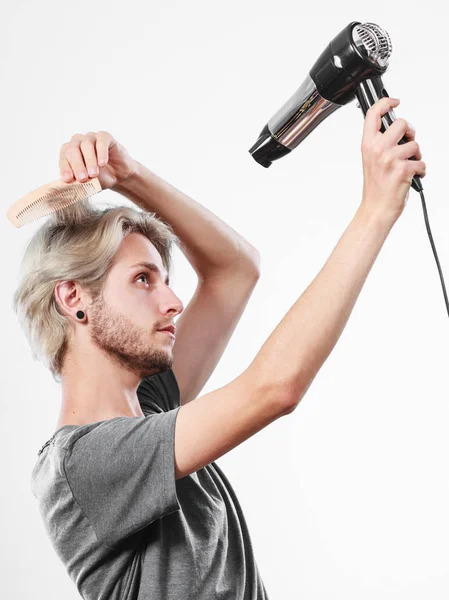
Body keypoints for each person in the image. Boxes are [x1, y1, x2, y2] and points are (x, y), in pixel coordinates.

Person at [15, 95, 425, 600]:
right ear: (73, 297)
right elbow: (274, 387)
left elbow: (235, 271)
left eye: (165, 279)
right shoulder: (82, 464)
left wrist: (129, 176)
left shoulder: (153, 407)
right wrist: (376, 210)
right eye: (143, 280)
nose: (173, 301)